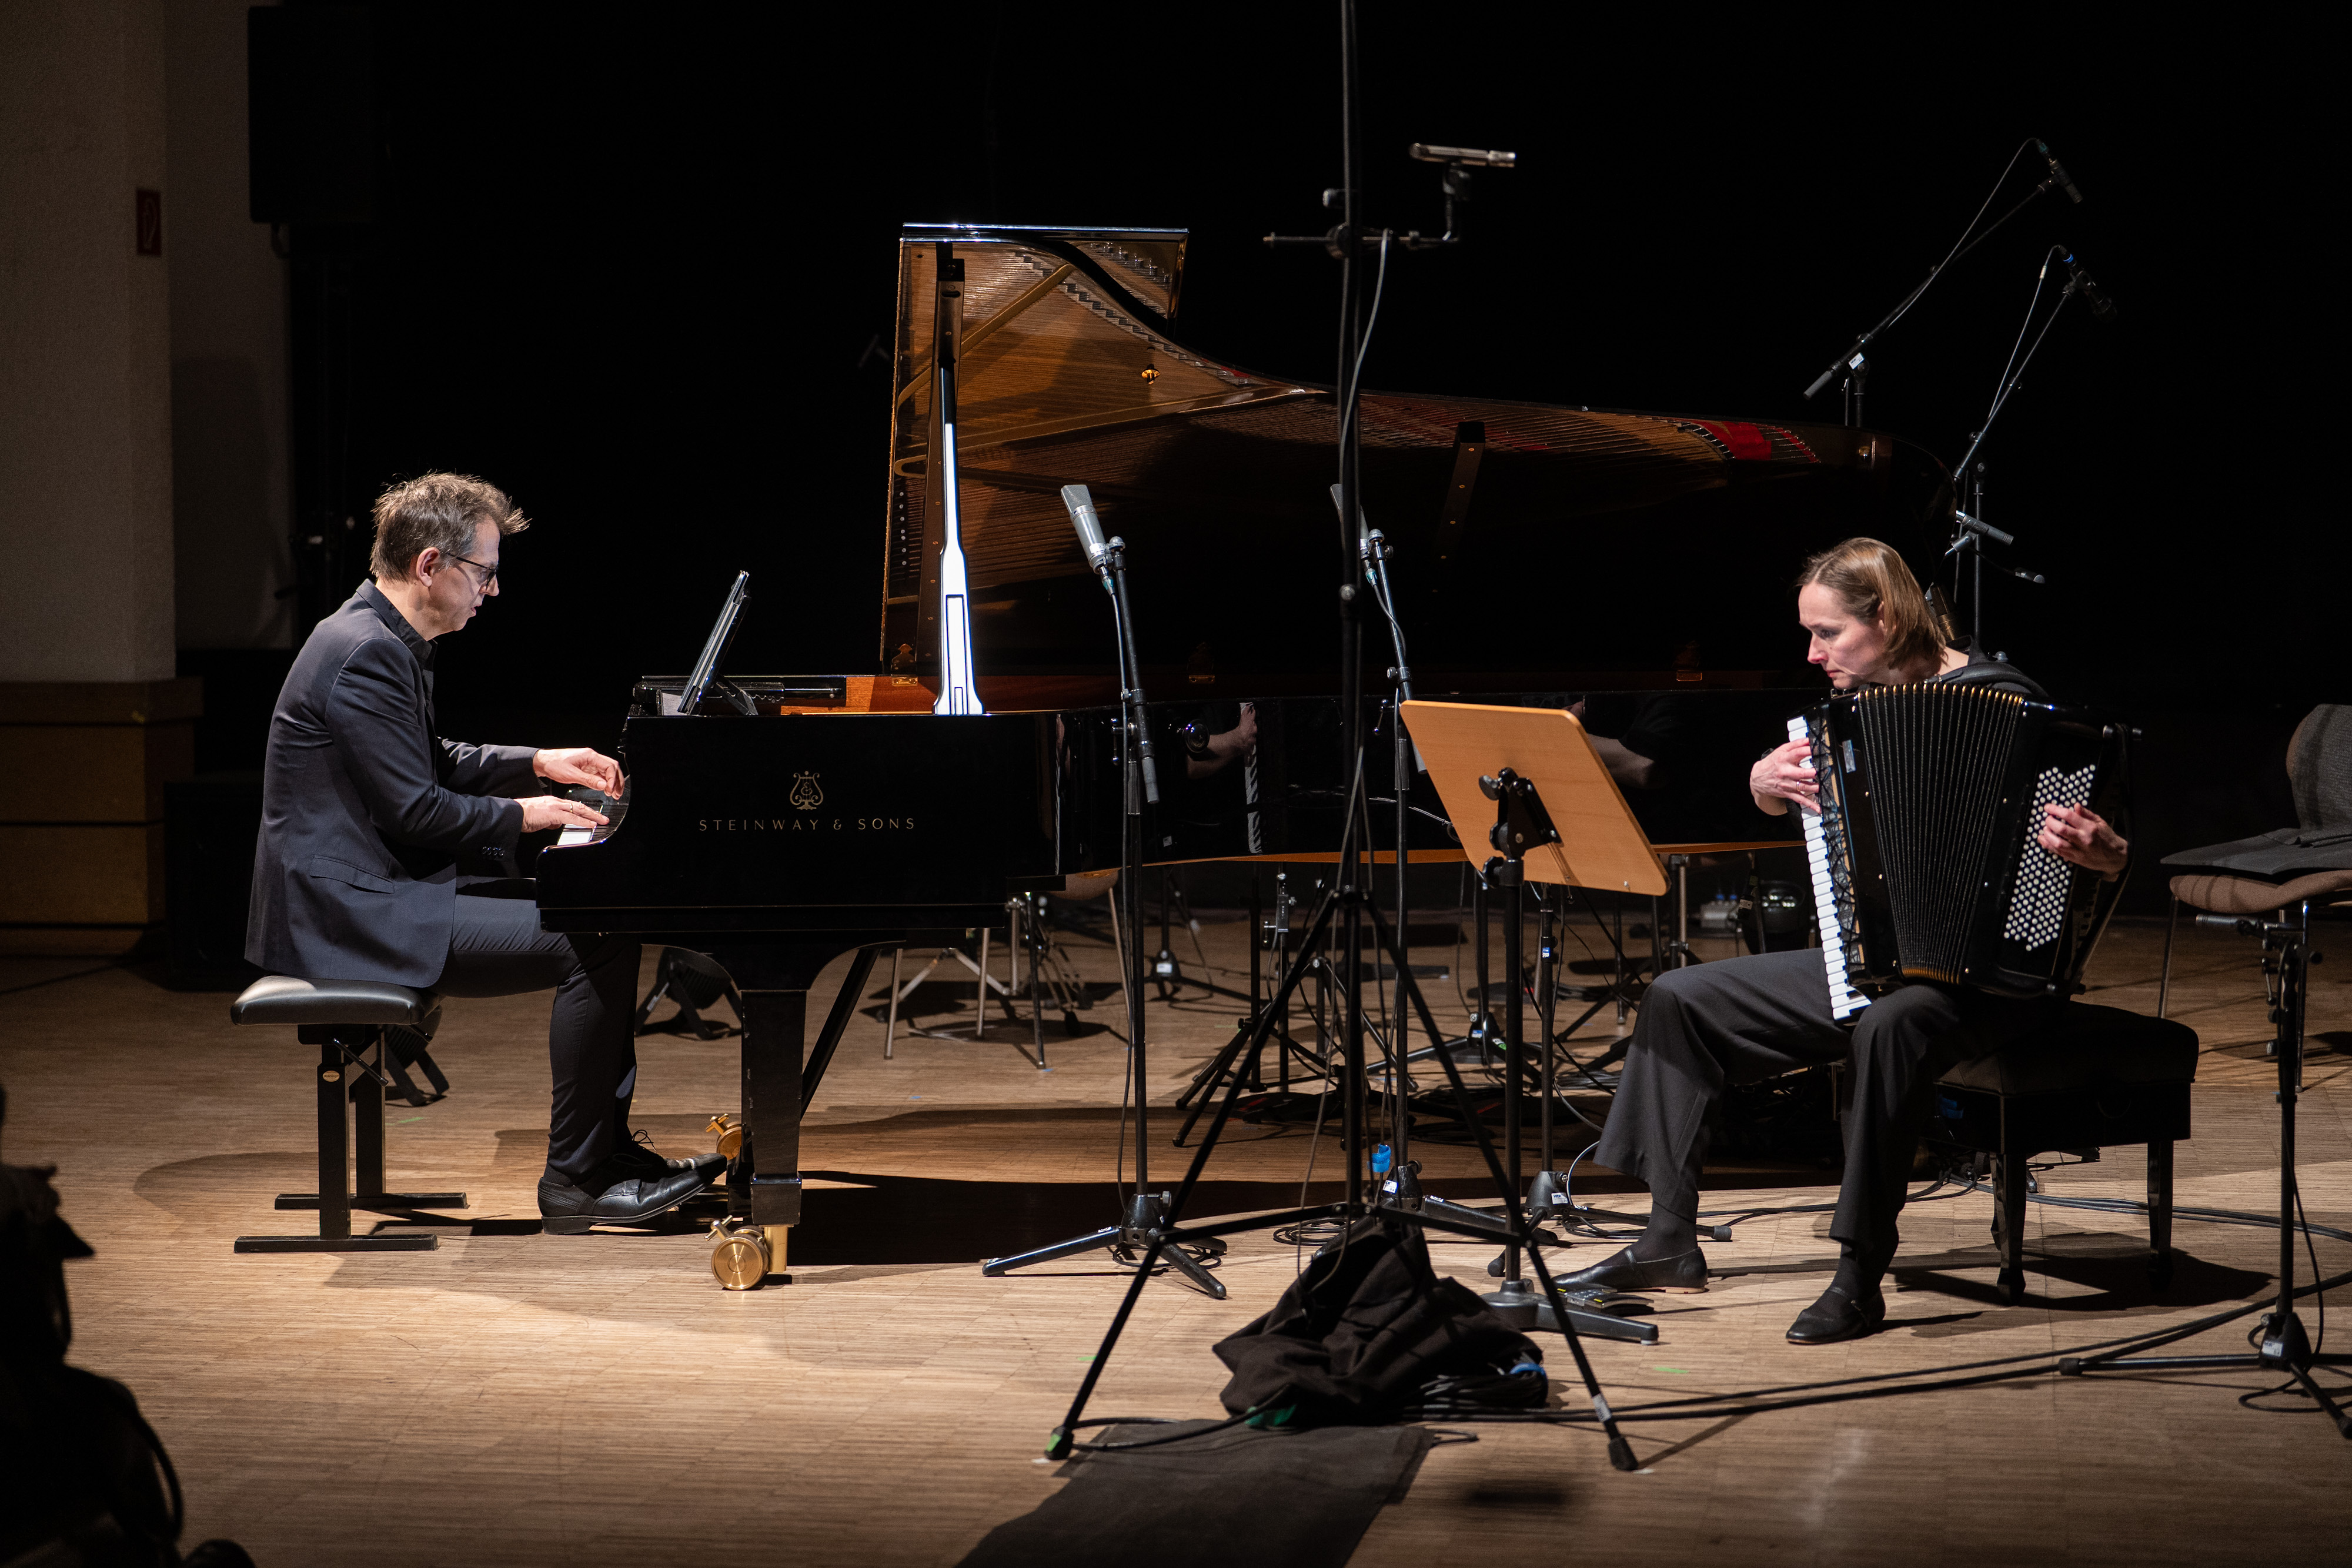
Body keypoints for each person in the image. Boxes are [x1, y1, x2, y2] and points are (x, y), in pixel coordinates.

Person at [1558, 537, 2129, 1342]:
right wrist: (1761, 788)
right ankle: (1666, 1243)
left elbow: (2097, 857)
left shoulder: (2010, 703)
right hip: (1877, 960)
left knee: (1893, 1026)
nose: (1812, 652)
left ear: (1887, 620)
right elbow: (1812, 823)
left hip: (1993, 983)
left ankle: (1859, 1277)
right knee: (1678, 999)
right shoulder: (1851, 720)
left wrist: (2104, 855)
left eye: (1828, 633)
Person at [246, 473, 719, 1233]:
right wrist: (525, 815)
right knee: (587, 941)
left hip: (373, 891)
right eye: (485, 572)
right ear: (432, 565)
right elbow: (417, 808)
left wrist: (540, 761)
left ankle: (606, 1152)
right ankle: (575, 1180)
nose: (493, 591)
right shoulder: (364, 652)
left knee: (604, 914)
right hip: (344, 915)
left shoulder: (385, 637)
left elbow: (434, 760)